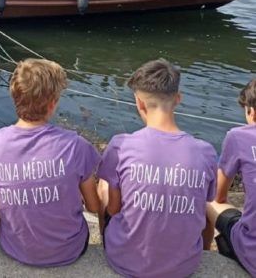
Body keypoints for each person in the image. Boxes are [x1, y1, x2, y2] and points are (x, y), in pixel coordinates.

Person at [98, 59, 217, 278]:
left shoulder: (120, 145)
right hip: (184, 267)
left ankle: (106, 241)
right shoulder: (206, 152)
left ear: (139, 103)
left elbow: (114, 209)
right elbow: (203, 206)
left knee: (104, 186)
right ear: (178, 99)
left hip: (125, 261)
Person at [0, 59, 101, 266]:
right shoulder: (75, 145)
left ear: (15, 97)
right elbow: (92, 206)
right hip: (69, 249)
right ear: (51, 104)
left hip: (14, 247)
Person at [205, 79, 256, 276]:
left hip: (252, 250)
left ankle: (205, 257)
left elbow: (219, 196)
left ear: (251, 111)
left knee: (208, 202)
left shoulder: (239, 136)